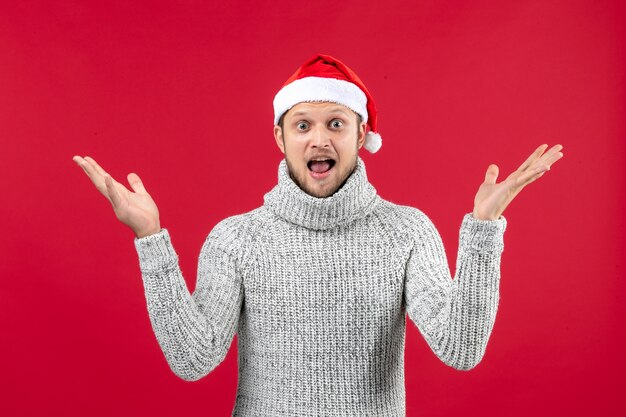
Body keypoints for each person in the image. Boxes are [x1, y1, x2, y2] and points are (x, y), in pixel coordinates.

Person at [73, 54, 564, 416]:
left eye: (336, 123)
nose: (319, 138)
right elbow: (193, 358)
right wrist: (150, 238)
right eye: (303, 124)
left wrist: (482, 231)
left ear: (360, 134)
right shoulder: (236, 239)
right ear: (280, 137)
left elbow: (461, 347)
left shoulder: (407, 232)